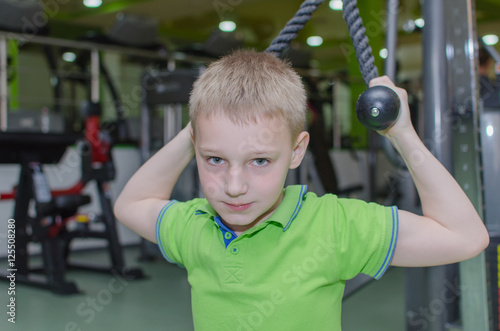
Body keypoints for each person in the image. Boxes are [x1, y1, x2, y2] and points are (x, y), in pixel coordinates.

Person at [114, 50, 489, 330]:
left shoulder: (333, 226)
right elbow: (130, 205)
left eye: (259, 161)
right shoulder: (195, 225)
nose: (233, 186)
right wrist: (195, 134)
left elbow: (465, 237)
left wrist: (402, 134)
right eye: (215, 160)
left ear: (296, 151)